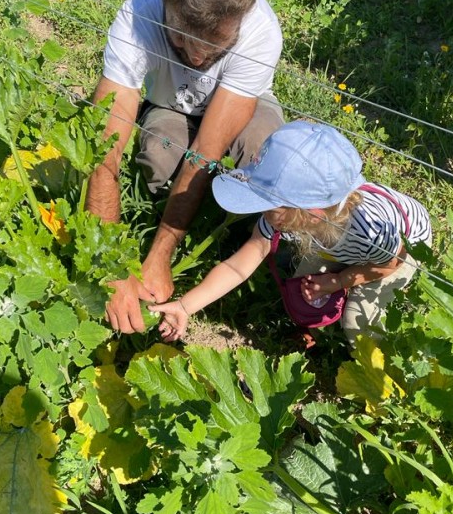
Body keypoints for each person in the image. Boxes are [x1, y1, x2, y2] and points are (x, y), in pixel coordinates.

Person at [86, 0, 284, 334]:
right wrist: (109, 262)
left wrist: (162, 253)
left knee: (263, 151)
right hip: (171, 104)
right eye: (179, 38)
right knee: (160, 161)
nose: (195, 57)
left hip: (241, 103)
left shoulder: (260, 31)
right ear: (165, 0)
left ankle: (257, 243)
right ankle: (205, 217)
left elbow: (206, 152)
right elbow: (102, 146)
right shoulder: (138, 15)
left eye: (216, 45)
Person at [149, 120, 432, 346]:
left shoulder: (371, 227)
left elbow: (390, 263)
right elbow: (238, 266)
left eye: (269, 207)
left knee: (358, 323)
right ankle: (317, 328)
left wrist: (340, 280)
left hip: (401, 251)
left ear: (310, 214)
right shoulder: (290, 216)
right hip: (340, 244)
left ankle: (381, 382)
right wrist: (185, 307)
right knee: (303, 288)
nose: (263, 214)